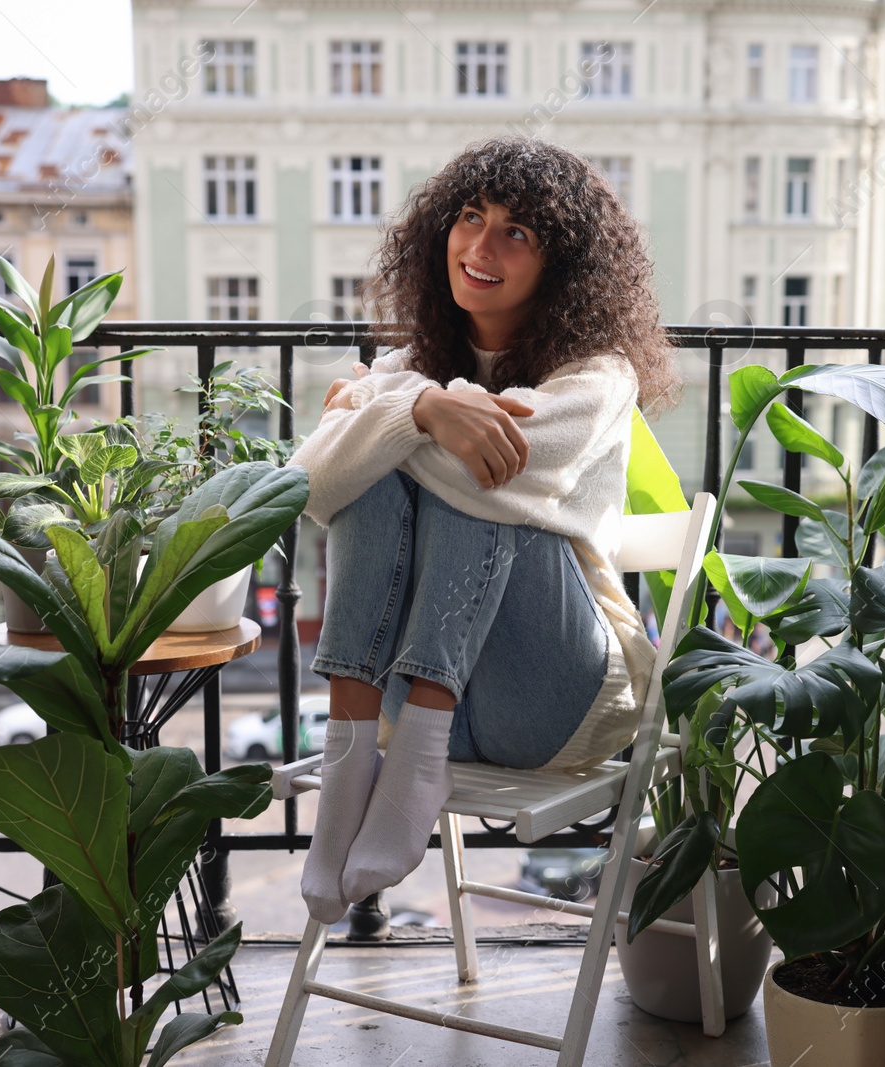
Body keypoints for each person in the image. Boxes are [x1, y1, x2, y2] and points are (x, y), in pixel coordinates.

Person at [283, 137, 682, 925]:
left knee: (485, 480)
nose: (480, 245)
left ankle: (414, 758)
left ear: (561, 265)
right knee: (376, 479)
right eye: (471, 216)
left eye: (517, 232)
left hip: (552, 702)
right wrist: (421, 408)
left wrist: (372, 414)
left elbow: (484, 473)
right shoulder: (409, 369)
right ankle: (352, 761)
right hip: (414, 692)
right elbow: (311, 488)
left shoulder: (598, 376)